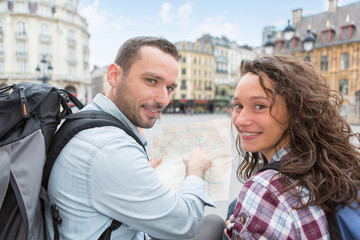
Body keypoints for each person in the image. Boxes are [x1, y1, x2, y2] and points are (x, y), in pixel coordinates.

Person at [45, 36, 224, 240]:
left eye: (169, 88)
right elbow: (185, 224)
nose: (163, 99)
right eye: (151, 81)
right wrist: (195, 170)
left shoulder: (84, 119)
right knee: (213, 223)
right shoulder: (109, 148)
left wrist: (137, 171)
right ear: (113, 76)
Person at [224, 54, 360, 239]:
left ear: (296, 112)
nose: (240, 120)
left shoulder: (265, 189)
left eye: (259, 106)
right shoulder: (336, 167)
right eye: (238, 105)